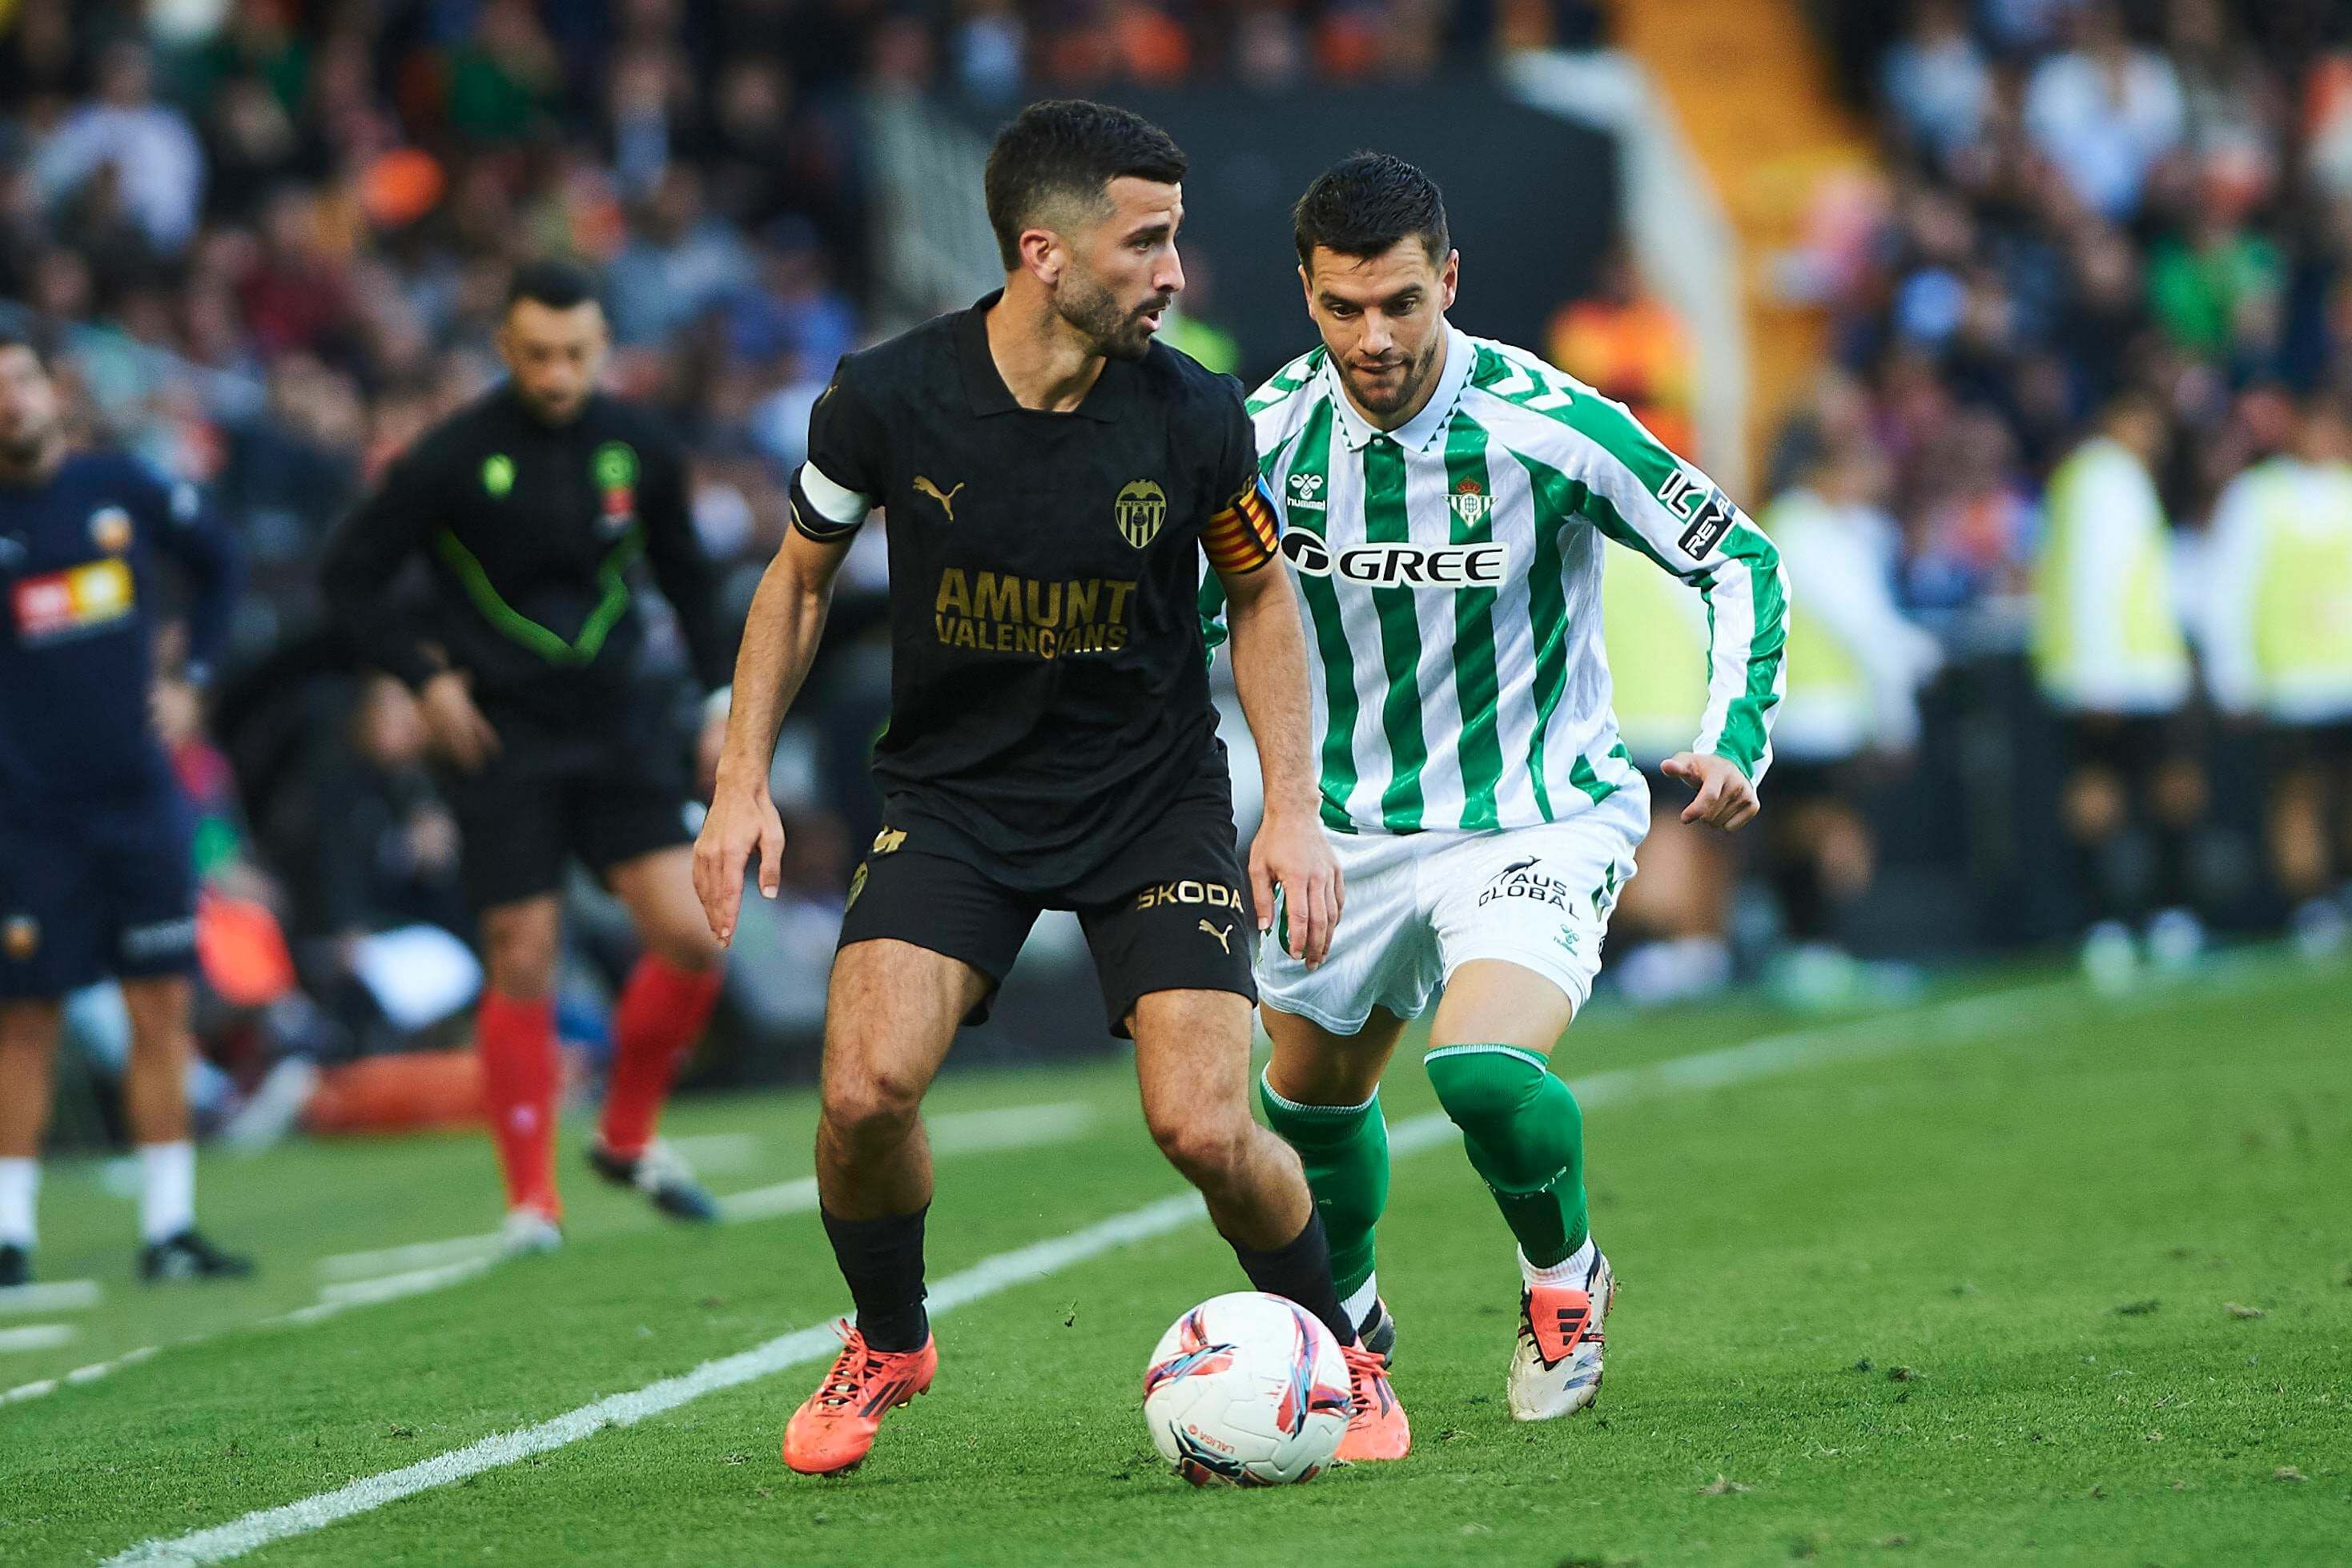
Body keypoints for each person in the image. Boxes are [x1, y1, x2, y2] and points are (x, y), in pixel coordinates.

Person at [693, 99, 1402, 1478]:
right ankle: (889, 1336)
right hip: (954, 798)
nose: (1174, 272)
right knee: (862, 1093)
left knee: (1204, 1124)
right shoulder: (885, 398)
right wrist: (740, 784)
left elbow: (1261, 594)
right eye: (1146, 243)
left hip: (1151, 801)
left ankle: (1340, 1344)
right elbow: (798, 580)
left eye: (1175, 238)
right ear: (1044, 252)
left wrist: (1293, 805)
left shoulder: (1193, 412)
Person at [1211, 155, 1787, 1421]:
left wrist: (1734, 733)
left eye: (1401, 302)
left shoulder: (1548, 422)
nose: (1374, 338)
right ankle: (1347, 1331)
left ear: (1450, 280)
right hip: (1344, 827)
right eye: (1343, 307)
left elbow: (1738, 556)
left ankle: (1564, 1278)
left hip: (1537, 811)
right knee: (1304, 1102)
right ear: (1305, 294)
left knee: (1477, 1068)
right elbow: (1194, 618)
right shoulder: (1260, 436)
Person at [320, 261, 734, 1253]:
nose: (556, 374)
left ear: (604, 347)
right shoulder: (449, 457)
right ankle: (531, 1203)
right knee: (521, 950)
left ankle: (625, 1136)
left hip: (621, 723)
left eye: (575, 353)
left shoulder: (641, 445)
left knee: (694, 934)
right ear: (505, 348)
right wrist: (425, 677)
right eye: (537, 354)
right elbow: (349, 576)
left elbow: (691, 581)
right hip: (501, 735)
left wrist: (724, 702)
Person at [0, 331, 251, 1285]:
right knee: (26, 1014)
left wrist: (194, 676)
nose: (10, 400)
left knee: (162, 1001)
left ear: (52, 389)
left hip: (139, 799)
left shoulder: (121, 486)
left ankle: (169, 1224)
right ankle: (9, 1234)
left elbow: (221, 559)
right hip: (28, 813)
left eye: (21, 378)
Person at [1761, 427, 1941, 1008]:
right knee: (1824, 836)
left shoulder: (1823, 528)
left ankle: (1812, 951)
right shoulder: (1805, 531)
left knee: (1810, 833)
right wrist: (1904, 698)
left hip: (1816, 710)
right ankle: (1814, 950)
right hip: (1814, 713)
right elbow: (1861, 627)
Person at [2031, 391, 2205, 986]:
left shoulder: (2093, 477)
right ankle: (2130, 918)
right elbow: (2095, 579)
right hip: (2120, 673)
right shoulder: (2106, 478)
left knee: (2125, 791)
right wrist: (2099, 673)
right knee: (2113, 793)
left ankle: (2122, 919)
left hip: (2127, 668)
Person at [2201, 392, 2352, 956]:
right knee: (2297, 794)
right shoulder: (2257, 497)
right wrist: (2232, 674)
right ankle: (2309, 900)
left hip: (2345, 679)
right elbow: (2227, 589)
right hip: (2292, 683)